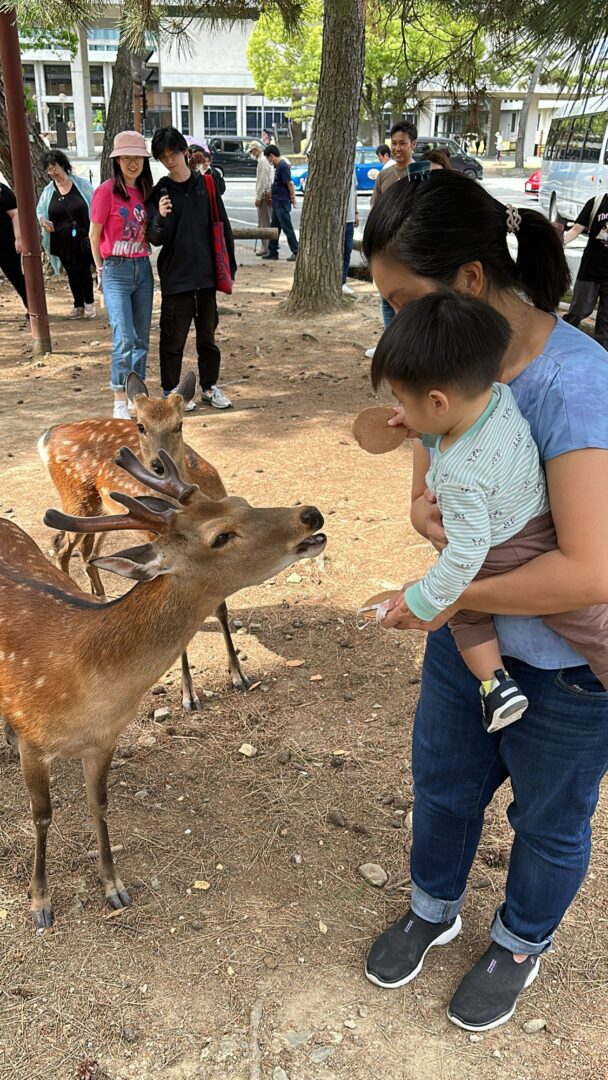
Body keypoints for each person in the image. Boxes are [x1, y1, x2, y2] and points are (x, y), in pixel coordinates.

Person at [361, 168, 608, 1033]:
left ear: (468, 280)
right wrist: (436, 532)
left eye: (400, 299)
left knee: (548, 821)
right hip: (467, 644)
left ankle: (519, 939)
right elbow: (424, 498)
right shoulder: (435, 364)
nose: (392, 323)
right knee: (444, 785)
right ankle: (435, 906)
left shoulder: (577, 385)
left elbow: (588, 572)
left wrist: (447, 593)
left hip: (570, 674)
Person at [373, 289, 608, 732]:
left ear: (439, 402)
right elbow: (461, 426)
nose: (400, 409)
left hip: (500, 547)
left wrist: (427, 597)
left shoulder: (458, 476)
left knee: (465, 613)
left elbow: (467, 552)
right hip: (536, 524)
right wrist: (422, 429)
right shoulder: (497, 396)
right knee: (588, 623)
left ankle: (495, 685)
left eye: (404, 400)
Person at [149, 126, 236, 410]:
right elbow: (155, 238)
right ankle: (170, 390)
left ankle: (209, 387)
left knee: (208, 339)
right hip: (176, 278)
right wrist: (159, 218)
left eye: (173, 153)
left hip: (206, 277)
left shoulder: (206, 185)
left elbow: (223, 228)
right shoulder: (160, 190)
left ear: (186, 152)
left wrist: (229, 268)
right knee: (172, 338)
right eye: (163, 156)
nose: (169, 160)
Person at [89, 130, 154, 420]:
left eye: (137, 157)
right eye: (126, 158)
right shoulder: (105, 192)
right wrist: (100, 270)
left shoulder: (146, 191)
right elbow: (94, 235)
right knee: (124, 336)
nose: (132, 163)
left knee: (141, 338)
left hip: (143, 267)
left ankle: (136, 396)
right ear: (116, 161)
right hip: (115, 269)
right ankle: (119, 399)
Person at [365, 121, 418, 357]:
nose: (397, 148)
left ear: (413, 145)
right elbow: (375, 211)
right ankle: (391, 344)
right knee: (387, 298)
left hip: (411, 251)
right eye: (394, 143)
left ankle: (410, 346)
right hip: (386, 250)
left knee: (409, 300)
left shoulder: (422, 174)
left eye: (403, 144)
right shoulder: (385, 176)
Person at [37, 150, 95, 319]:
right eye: (48, 169)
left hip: (82, 239)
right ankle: (78, 305)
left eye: (54, 167)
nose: (52, 172)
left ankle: (89, 303)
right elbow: (40, 211)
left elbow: (94, 206)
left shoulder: (82, 186)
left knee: (82, 269)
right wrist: (42, 221)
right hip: (60, 240)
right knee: (71, 272)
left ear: (63, 165)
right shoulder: (49, 191)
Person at [562, 190, 608, 351]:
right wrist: (560, 242)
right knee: (578, 311)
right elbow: (576, 229)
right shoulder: (596, 203)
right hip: (591, 269)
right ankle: (565, 344)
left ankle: (602, 356)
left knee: (606, 322)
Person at [261, 144, 298, 262]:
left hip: (282, 202)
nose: (268, 161)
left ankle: (296, 251)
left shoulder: (283, 166)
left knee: (287, 228)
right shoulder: (279, 167)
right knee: (274, 228)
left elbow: (289, 183)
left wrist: (293, 197)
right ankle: (273, 251)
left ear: (272, 156)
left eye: (268, 158)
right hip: (277, 203)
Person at [0, 182, 27, 310]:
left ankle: (32, 306)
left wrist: (19, 238)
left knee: (15, 275)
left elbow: (15, 214)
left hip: (5, 243)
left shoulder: (2, 190)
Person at [248, 140, 274, 256]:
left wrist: (258, 197)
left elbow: (262, 181)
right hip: (267, 194)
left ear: (256, 150)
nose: (252, 154)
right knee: (266, 221)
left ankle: (265, 247)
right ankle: (267, 246)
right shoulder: (265, 161)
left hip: (264, 196)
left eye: (252, 151)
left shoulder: (262, 162)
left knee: (263, 222)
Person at [342, 169, 359, 296]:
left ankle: (342, 282)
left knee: (347, 250)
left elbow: (354, 192)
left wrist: (356, 212)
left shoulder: (351, 169)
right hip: (335, 219)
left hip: (349, 217)